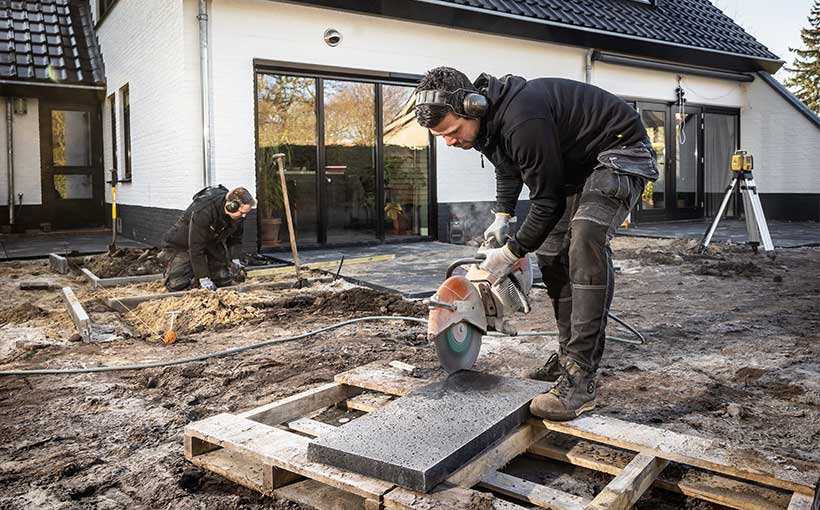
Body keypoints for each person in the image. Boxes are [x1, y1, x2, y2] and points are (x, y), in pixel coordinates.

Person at [414, 67, 659, 421]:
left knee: (585, 239)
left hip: (619, 153)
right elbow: (508, 167)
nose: (449, 142)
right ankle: (567, 359)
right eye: (442, 137)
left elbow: (547, 203)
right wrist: (502, 216)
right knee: (551, 253)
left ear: (474, 106)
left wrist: (510, 253)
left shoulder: (522, 117)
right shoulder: (489, 121)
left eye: (452, 132)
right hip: (576, 169)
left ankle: (581, 379)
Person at [162, 185, 256, 292]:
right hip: (186, 243)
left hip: (213, 241)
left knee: (223, 280)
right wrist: (203, 278)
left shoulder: (238, 216)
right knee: (177, 284)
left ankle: (202, 272)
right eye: (242, 212)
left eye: (246, 213)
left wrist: (235, 259)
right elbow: (196, 247)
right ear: (231, 206)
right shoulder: (204, 210)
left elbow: (236, 239)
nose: (244, 216)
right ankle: (187, 272)